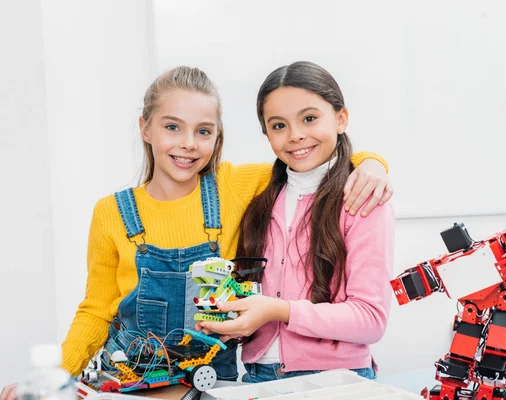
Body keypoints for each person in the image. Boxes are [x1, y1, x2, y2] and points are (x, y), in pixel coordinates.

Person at [0, 66, 393, 400]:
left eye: (203, 131)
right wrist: (56, 378)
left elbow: (309, 157)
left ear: (216, 136)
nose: (188, 144)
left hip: (214, 384)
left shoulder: (234, 186)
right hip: (132, 380)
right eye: (173, 127)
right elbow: (96, 309)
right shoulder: (111, 212)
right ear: (146, 128)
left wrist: (373, 164)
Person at [196, 61, 395, 383]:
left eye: (310, 118)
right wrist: (231, 319)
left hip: (336, 380)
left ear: (340, 119)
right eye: (278, 126)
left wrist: (279, 310)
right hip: (258, 375)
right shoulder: (260, 199)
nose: (296, 136)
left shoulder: (363, 198)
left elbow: (370, 319)